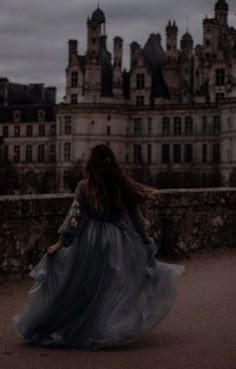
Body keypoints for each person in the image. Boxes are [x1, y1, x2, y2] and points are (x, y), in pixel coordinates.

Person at [12, 144, 184, 349]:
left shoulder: (84, 187)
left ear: (91, 164)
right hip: (117, 241)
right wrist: (145, 242)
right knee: (112, 286)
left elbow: (75, 218)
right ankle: (106, 325)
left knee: (85, 286)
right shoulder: (121, 186)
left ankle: (85, 326)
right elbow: (136, 219)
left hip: (90, 240)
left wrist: (61, 242)